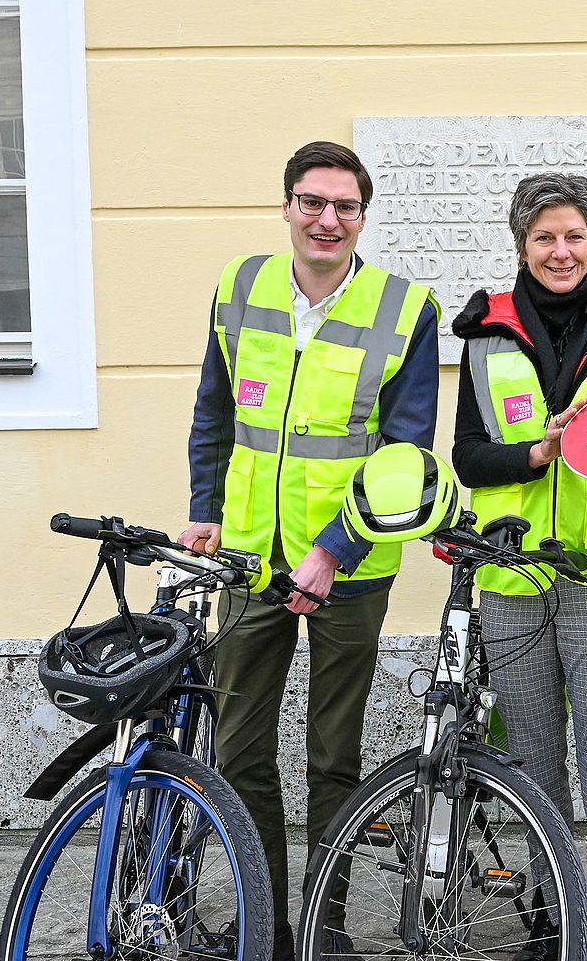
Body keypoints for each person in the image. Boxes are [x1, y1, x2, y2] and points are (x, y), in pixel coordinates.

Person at [180, 140, 440, 961]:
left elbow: (404, 458)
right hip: (250, 560)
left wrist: (331, 549)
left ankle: (324, 928)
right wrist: (202, 512)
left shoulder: (405, 308)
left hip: (352, 570)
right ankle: (268, 925)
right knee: (240, 745)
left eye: (346, 206)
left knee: (334, 755)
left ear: (364, 216)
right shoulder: (241, 287)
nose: (328, 219)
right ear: (287, 206)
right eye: (312, 202)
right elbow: (214, 415)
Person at [451, 171, 587, 950]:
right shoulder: (486, 329)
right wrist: (536, 450)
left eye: (574, 235)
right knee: (534, 776)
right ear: (522, 242)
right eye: (544, 236)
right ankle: (554, 928)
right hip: (513, 582)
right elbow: (470, 458)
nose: (561, 250)